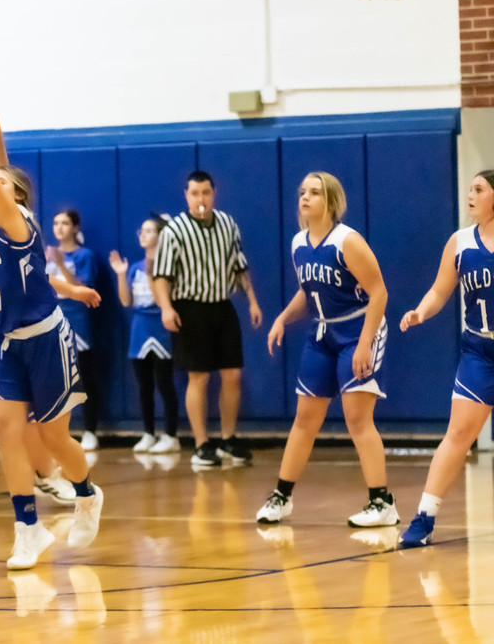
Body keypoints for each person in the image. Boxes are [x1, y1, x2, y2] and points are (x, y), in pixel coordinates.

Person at [0, 92, 104, 570]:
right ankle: (27, 529)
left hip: (46, 341)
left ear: (13, 195)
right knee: (7, 432)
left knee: (53, 441)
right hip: (6, 342)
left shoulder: (14, 221)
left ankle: (87, 493)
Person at [255, 172, 397, 527]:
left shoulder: (347, 241)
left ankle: (382, 503)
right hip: (323, 332)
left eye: (314, 193)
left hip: (359, 329)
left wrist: (365, 343)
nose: (305, 197)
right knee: (305, 418)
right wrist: (282, 319)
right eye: (302, 191)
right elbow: (309, 291)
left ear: (331, 202)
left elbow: (379, 292)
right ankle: (282, 496)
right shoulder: (298, 243)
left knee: (357, 418)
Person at [398, 169, 494, 547]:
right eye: (469, 188)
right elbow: (439, 291)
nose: (470, 195)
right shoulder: (459, 242)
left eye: (479, 189)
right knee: (457, 435)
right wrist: (421, 311)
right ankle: (424, 518)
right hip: (479, 350)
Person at [150, 170, 263, 467]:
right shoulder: (174, 230)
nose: (201, 198)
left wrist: (251, 301)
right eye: (195, 193)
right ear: (186, 195)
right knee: (198, 376)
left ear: (214, 193)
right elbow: (161, 275)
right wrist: (166, 308)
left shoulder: (227, 224)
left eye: (206, 193)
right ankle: (202, 444)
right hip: (189, 307)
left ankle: (228, 438)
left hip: (221, 306)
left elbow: (239, 266)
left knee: (232, 374)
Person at [108, 215, 180, 454]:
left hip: (160, 326)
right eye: (143, 230)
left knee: (164, 383)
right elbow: (126, 300)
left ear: (161, 237)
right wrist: (120, 273)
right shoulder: (136, 267)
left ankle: (171, 435)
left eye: (150, 231)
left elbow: (162, 299)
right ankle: (148, 433)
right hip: (139, 328)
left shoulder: (168, 267)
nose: (143, 234)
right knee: (144, 385)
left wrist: (152, 273)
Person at [47, 209, 101, 451]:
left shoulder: (84, 255)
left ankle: (90, 430)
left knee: (85, 379)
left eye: (65, 223)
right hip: (51, 322)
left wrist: (60, 263)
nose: (59, 227)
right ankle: (57, 432)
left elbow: (83, 288)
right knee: (55, 382)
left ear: (75, 228)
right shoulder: (46, 254)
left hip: (78, 323)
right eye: (56, 223)